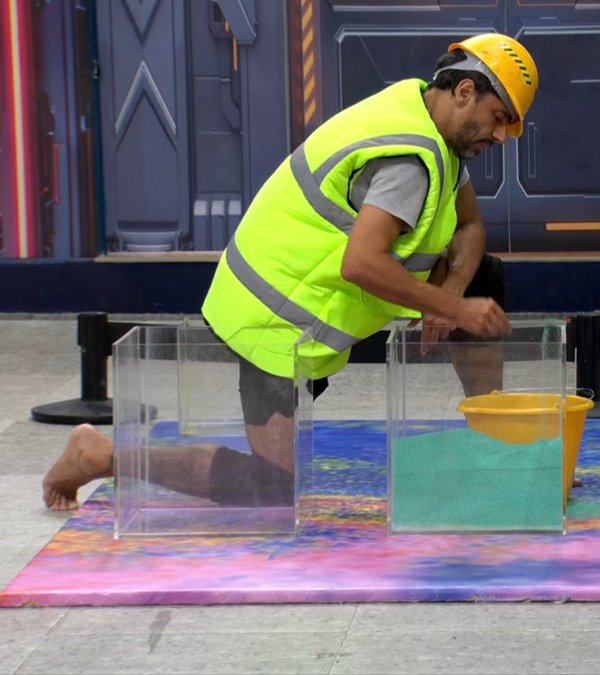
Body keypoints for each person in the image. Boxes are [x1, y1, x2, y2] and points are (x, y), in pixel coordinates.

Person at [42, 33, 538, 511]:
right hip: (272, 320)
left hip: (319, 306)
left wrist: (453, 291)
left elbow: (470, 224)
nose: (499, 135)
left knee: (482, 277)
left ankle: (491, 442)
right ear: (466, 91)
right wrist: (453, 307)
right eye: (498, 119)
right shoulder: (409, 160)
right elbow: (361, 262)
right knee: (272, 487)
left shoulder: (437, 126)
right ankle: (100, 456)